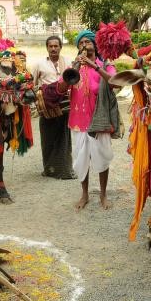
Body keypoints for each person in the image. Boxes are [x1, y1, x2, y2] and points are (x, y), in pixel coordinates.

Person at [60, 30, 116, 210]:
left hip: (99, 120)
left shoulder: (105, 64)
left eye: (87, 42)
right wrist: (74, 67)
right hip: (79, 121)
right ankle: (84, 194)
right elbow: (61, 89)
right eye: (81, 42)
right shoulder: (73, 66)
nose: (84, 45)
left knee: (102, 158)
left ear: (95, 44)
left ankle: (103, 194)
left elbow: (115, 82)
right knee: (81, 159)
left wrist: (94, 65)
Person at [31, 35, 75, 179]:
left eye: (56, 46)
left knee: (64, 138)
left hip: (64, 107)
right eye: (50, 46)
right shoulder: (39, 64)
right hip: (46, 108)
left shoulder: (68, 62)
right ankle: (49, 169)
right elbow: (32, 84)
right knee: (47, 138)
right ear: (47, 48)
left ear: (60, 47)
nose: (53, 49)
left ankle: (64, 170)